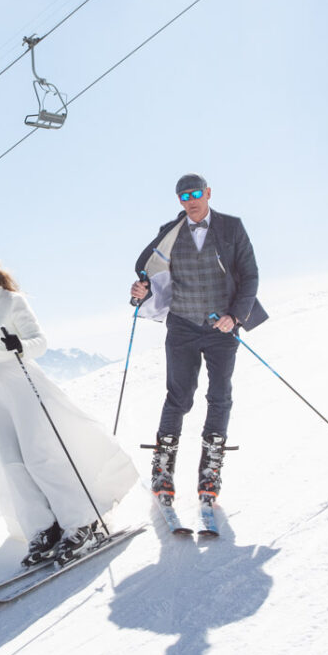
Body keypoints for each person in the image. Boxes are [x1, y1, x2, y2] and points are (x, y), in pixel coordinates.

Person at [0, 251, 138, 566]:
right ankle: (43, 529)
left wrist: (20, 346)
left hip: (20, 380)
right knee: (11, 461)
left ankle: (82, 521)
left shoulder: (13, 302)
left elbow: (39, 342)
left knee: (38, 455)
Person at [129, 174, 266, 516]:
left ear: (208, 193)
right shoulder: (169, 232)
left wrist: (235, 316)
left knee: (219, 395)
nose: (190, 201)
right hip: (182, 326)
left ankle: (210, 474)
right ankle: (162, 471)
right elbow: (151, 274)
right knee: (179, 396)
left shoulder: (231, 227)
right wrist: (141, 291)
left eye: (195, 194)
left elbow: (249, 275)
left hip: (221, 328)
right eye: (183, 196)